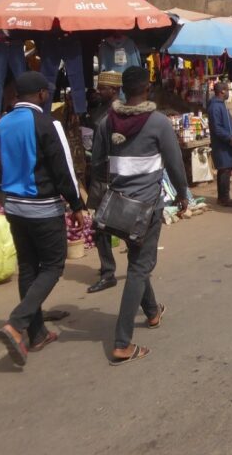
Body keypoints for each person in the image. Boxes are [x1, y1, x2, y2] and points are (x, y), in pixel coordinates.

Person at [90, 67, 190, 365]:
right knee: (139, 268)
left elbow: (96, 164)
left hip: (118, 205)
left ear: (122, 89)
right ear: (147, 88)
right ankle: (122, 343)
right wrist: (183, 194)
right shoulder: (158, 122)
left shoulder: (107, 122)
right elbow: (175, 164)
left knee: (137, 259)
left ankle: (152, 312)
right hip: (146, 207)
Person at [0, 71, 86, 367]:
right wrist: (77, 204)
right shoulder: (47, 123)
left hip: (14, 207)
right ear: (42, 95)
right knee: (53, 265)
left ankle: (36, 335)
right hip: (42, 206)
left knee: (28, 268)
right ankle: (17, 323)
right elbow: (63, 167)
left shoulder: (2, 123)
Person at [85, 70, 123, 294]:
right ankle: (108, 269)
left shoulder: (118, 113)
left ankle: (109, 272)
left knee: (112, 224)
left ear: (115, 90)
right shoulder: (103, 110)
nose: (99, 92)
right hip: (104, 174)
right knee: (102, 226)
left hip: (109, 175)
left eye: (103, 89)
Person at [207, 81, 232, 207]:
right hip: (222, 144)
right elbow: (217, 128)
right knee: (224, 169)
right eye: (227, 90)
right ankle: (224, 198)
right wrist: (229, 138)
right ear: (222, 91)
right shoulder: (215, 106)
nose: (228, 93)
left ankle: (222, 197)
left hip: (226, 144)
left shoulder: (221, 105)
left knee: (225, 169)